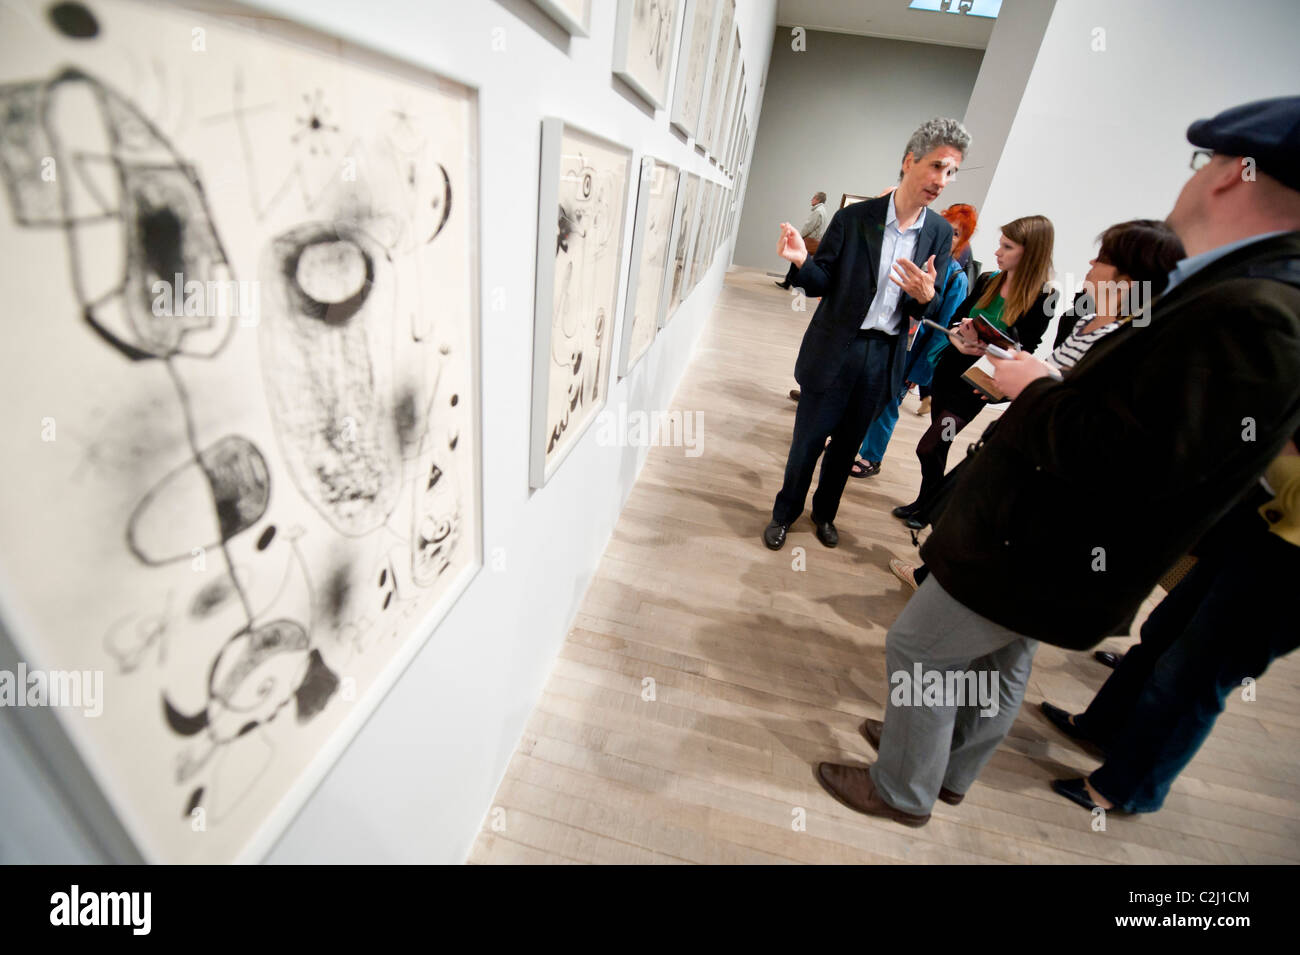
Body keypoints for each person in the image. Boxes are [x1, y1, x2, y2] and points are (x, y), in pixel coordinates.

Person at [814, 95, 1300, 827]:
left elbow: (1136, 459)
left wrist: (1038, 388)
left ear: (1234, 174)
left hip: (1050, 540)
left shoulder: (1258, 308)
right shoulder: (1242, 292)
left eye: (1204, 164)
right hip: (1063, 546)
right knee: (1003, 659)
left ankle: (903, 784)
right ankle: (944, 764)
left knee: (919, 645)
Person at [888, 218, 1185, 590]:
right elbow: (1061, 370)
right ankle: (931, 570)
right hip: (996, 408)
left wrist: (1025, 376)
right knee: (960, 499)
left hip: (1034, 454)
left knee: (956, 489)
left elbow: (1078, 400)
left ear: (1127, 279)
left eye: (1102, 258)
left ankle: (935, 570)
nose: (1090, 265)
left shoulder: (1123, 337)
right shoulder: (1087, 316)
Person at [1042, 436, 1300, 816]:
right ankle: (1104, 726)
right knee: (1161, 635)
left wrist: (1273, 440)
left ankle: (1126, 788)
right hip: (1254, 524)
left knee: (1195, 678)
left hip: (1286, 561)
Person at [762, 118, 968, 551]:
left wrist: (927, 296)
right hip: (837, 347)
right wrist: (802, 261)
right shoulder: (856, 218)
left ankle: (824, 514)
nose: (942, 181)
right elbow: (821, 284)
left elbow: (924, 305)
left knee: (847, 446)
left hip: (884, 354)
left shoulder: (939, 233)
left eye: (951, 172)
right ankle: (785, 512)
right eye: (936, 167)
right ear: (909, 161)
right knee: (808, 442)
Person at [891, 216, 1055, 530]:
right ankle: (927, 506)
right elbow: (955, 319)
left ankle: (934, 509)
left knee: (930, 445)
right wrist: (960, 336)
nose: (997, 252)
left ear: (1030, 252)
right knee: (939, 446)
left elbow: (1025, 348)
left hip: (977, 385)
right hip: (949, 369)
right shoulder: (989, 280)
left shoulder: (1043, 298)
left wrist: (994, 351)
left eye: (1007, 247)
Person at [851, 204, 977, 478]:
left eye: (956, 234)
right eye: (947, 229)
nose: (949, 237)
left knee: (887, 404)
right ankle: (849, 442)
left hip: (910, 355)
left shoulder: (956, 277)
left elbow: (942, 329)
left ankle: (872, 456)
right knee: (864, 395)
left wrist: (919, 371)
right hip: (885, 342)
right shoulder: (916, 259)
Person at [774, 192, 830, 289]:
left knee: (796, 261)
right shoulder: (823, 211)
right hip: (815, 241)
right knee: (798, 262)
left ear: (818, 200)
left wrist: (798, 237)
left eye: (813, 198)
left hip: (809, 241)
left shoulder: (817, 211)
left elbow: (808, 227)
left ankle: (789, 283)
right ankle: (789, 282)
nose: (811, 200)